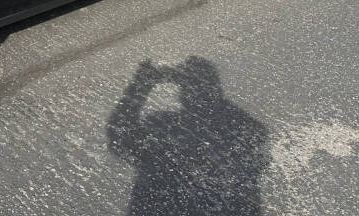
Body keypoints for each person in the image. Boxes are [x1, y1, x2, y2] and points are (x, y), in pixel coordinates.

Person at [107, 57, 269, 215]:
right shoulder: (163, 127)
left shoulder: (163, 128)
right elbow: (119, 140)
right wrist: (140, 87)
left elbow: (119, 138)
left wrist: (140, 87)